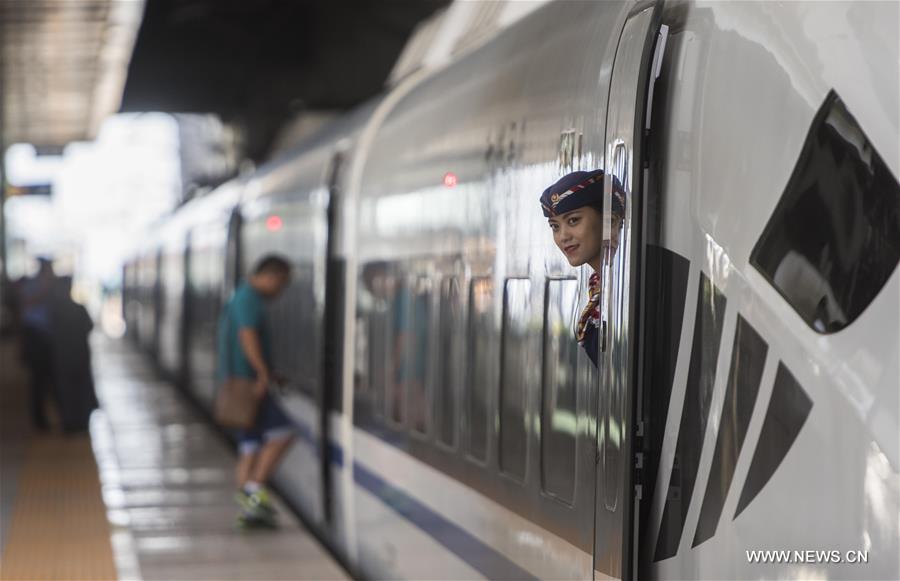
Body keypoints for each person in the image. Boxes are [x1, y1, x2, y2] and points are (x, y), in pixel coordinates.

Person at [217, 254, 295, 528]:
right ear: (271, 275)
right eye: (282, 283)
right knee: (283, 433)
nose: (281, 291)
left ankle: (249, 509)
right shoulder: (249, 298)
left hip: (238, 381)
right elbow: (247, 336)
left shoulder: (241, 295)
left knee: (250, 445)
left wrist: (270, 372)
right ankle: (252, 490)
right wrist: (263, 374)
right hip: (248, 384)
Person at [540, 169, 625, 367]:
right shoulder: (599, 288)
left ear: (610, 221)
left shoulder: (624, 287)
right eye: (555, 226)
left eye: (573, 221)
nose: (563, 236)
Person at [48, 276, 98, 433]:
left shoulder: (55, 311)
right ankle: (82, 423)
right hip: (80, 356)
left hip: (62, 358)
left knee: (67, 392)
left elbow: (49, 333)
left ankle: (70, 424)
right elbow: (90, 326)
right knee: (82, 391)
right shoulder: (79, 308)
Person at [18, 257, 58, 429]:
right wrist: (45, 290)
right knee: (38, 381)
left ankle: (47, 417)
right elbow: (26, 306)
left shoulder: (48, 286)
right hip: (35, 337)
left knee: (48, 379)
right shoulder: (33, 285)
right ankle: (39, 420)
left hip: (46, 337)